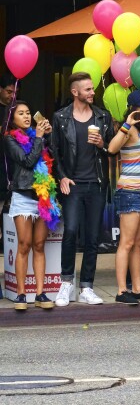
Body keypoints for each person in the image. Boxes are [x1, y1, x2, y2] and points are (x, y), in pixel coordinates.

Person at [52, 72, 114, 307]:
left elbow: (112, 149)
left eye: (92, 88)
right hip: (73, 185)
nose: (92, 92)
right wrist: (63, 176)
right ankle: (66, 282)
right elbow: (55, 150)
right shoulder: (61, 118)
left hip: (96, 184)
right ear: (75, 92)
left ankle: (87, 286)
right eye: (87, 89)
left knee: (91, 237)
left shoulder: (102, 117)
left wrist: (103, 145)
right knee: (71, 231)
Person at [4, 102, 60, 310]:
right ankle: (20, 294)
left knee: (39, 245)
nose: (27, 116)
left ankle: (40, 293)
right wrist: (38, 137)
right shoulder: (10, 139)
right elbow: (27, 161)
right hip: (23, 196)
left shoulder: (39, 136)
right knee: (24, 244)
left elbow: (54, 156)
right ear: (13, 118)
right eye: (21, 113)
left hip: (44, 197)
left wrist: (49, 135)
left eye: (28, 113)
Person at [107, 91, 140, 305]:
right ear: (132, 109)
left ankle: (137, 288)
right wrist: (127, 124)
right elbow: (111, 148)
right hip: (129, 191)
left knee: (139, 242)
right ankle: (122, 290)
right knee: (127, 242)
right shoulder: (128, 130)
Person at [0, 72, 17, 211]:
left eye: (15, 92)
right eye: (9, 92)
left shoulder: (18, 109)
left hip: (13, 166)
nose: (12, 96)